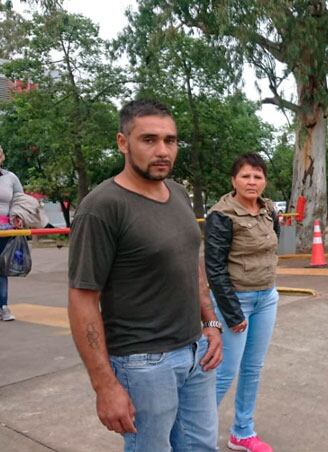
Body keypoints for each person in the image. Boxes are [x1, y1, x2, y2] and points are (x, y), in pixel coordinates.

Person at [67, 99, 222, 451]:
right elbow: (82, 299)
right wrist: (104, 385)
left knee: (202, 447)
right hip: (143, 365)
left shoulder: (178, 193)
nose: (163, 150)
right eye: (149, 140)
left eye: (170, 140)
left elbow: (189, 259)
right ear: (123, 142)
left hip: (195, 353)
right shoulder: (103, 207)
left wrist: (210, 322)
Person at [205, 153, 280, 452]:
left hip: (266, 297)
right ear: (233, 180)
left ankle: (242, 432)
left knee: (253, 368)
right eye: (246, 176)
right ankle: (191, 435)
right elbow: (215, 268)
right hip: (234, 301)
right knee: (222, 373)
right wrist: (234, 314)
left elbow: (271, 244)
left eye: (258, 176)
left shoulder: (268, 209)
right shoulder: (221, 215)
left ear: (265, 181)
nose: (252, 182)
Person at [0, 144, 23, 321]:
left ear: (2, 157)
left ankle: (3, 306)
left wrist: (17, 216)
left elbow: (19, 200)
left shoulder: (10, 178)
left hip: (4, 230)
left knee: (1, 269)